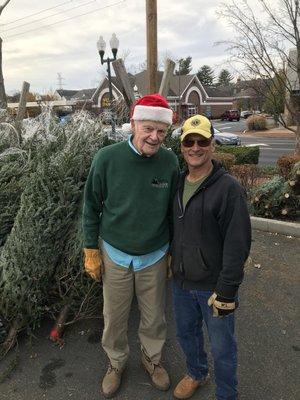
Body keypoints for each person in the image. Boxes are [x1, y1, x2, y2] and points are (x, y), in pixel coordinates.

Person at [82, 93, 179, 398]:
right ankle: (115, 363)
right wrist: (91, 249)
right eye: (148, 128)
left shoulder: (170, 161)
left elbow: (173, 212)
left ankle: (152, 361)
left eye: (161, 131)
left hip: (154, 254)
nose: (154, 137)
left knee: (154, 318)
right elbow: (91, 206)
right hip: (116, 254)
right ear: (134, 124)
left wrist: (173, 251)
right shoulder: (107, 159)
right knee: (114, 317)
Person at [170, 115, 251, 400]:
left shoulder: (228, 189)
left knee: (222, 347)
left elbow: (238, 243)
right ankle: (196, 372)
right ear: (182, 147)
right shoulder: (177, 183)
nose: (195, 147)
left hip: (214, 288)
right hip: (181, 283)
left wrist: (227, 290)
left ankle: (227, 394)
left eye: (202, 141)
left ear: (212, 145)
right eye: (189, 141)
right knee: (186, 336)